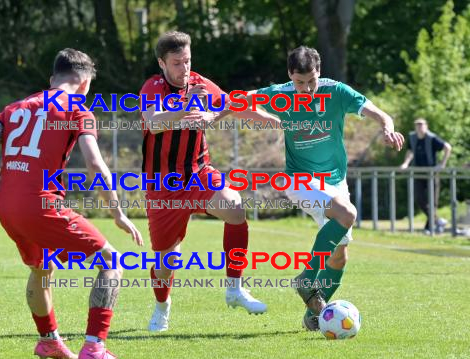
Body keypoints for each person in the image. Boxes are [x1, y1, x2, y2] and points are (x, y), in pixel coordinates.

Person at [0, 48, 143, 359]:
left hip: (8, 206)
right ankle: (94, 348)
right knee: (111, 261)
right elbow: (95, 164)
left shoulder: (16, 107)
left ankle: (49, 342)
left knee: (40, 267)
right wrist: (117, 212)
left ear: (53, 80)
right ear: (84, 83)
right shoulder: (78, 108)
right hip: (41, 205)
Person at [244, 46, 404, 330]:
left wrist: (387, 128)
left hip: (335, 181)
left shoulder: (337, 91)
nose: (306, 89)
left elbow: (379, 113)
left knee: (340, 257)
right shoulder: (280, 94)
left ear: (319, 72)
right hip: (300, 180)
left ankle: (315, 316)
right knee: (347, 213)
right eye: (299, 83)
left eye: (311, 81)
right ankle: (307, 279)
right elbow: (238, 101)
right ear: (290, 77)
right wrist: (218, 115)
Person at [139, 31, 278, 332]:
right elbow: (153, 121)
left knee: (235, 208)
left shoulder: (201, 85)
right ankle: (162, 307)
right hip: (163, 187)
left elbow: (235, 104)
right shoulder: (153, 87)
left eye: (187, 61)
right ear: (162, 63)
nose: (184, 68)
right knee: (166, 262)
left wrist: (275, 122)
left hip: (199, 174)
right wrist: (186, 109)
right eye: (177, 63)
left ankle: (235, 288)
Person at [400, 118, 452, 234]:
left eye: (421, 124)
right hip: (419, 173)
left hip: (432, 174)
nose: (419, 127)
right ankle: (438, 221)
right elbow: (410, 151)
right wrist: (406, 163)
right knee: (420, 199)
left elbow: (447, 147)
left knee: (433, 201)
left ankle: (429, 228)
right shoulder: (412, 137)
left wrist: (442, 164)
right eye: (417, 125)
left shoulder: (432, 138)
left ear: (426, 126)